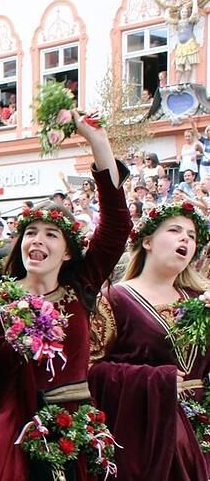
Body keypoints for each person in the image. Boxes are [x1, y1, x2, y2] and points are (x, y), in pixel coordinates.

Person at [0, 113, 132, 480]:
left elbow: (117, 225)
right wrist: (16, 340)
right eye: (31, 232)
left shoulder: (80, 286)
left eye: (51, 235)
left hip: (71, 428)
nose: (38, 240)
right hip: (12, 429)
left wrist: (97, 142)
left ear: (67, 252)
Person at [89, 201, 210, 480]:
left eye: (191, 236)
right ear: (147, 242)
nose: (185, 239)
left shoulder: (199, 298)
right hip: (148, 435)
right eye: (175, 230)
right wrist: (154, 380)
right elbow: (90, 370)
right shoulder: (114, 299)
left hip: (201, 431)